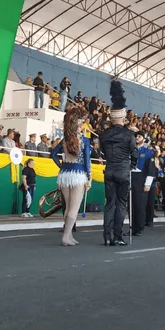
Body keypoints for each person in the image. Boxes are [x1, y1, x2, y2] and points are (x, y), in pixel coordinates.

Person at [98, 80, 135, 246]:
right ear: (122, 118)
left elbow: (104, 152)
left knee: (109, 204)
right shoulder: (128, 135)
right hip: (123, 171)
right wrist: (132, 165)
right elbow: (134, 153)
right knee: (121, 204)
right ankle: (118, 236)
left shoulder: (104, 135)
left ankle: (107, 236)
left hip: (109, 169)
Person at [50, 104, 92, 246]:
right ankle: (66, 236)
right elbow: (87, 162)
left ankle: (69, 236)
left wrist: (62, 166)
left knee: (67, 207)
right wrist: (89, 178)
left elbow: (53, 154)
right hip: (79, 174)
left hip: (65, 173)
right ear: (79, 123)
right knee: (74, 209)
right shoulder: (85, 140)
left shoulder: (65, 139)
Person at [130, 132, 156, 236]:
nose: (137, 138)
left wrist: (148, 183)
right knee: (131, 204)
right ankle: (132, 227)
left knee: (140, 204)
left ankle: (139, 228)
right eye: (136, 136)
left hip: (142, 178)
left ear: (144, 139)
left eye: (140, 136)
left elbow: (151, 169)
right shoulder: (130, 150)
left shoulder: (149, 152)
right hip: (131, 176)